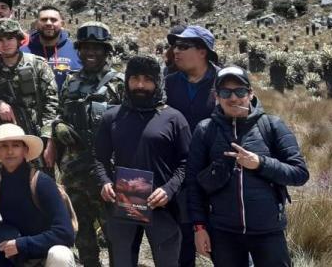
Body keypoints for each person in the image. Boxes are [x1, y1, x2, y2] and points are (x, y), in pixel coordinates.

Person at [187, 67, 309, 267]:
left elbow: (299, 173)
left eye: (240, 91)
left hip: (268, 231)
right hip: (224, 233)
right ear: (217, 96)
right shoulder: (205, 130)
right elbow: (193, 184)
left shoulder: (272, 126)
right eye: (226, 92)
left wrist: (260, 163)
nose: (233, 98)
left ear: (251, 93)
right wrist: (199, 228)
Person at [94, 55, 191, 267]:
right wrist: (104, 182)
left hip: (162, 206)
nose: (140, 85)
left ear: (157, 82)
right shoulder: (111, 117)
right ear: (127, 80)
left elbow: (186, 163)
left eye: (147, 79)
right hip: (122, 206)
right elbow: (99, 158)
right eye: (135, 78)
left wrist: (169, 189)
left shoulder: (174, 119)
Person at [46, 22, 125, 267]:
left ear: (107, 51)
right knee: (82, 234)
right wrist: (58, 126)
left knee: (115, 234)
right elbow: (58, 112)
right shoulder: (71, 82)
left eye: (97, 48)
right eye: (85, 48)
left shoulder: (119, 83)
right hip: (74, 172)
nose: (91, 53)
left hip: (108, 172)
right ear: (78, 51)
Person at [0, 123, 76, 267]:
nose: (10, 151)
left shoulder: (42, 183)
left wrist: (22, 245)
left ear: (25, 150)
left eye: (15, 145)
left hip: (46, 255)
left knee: (60, 255)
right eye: (3, 146)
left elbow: (65, 233)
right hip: (13, 258)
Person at [163, 25, 221, 266]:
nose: (176, 51)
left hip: (217, 175)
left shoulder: (225, 81)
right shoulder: (168, 83)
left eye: (183, 46)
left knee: (222, 241)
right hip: (179, 175)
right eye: (175, 46)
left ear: (202, 51)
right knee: (183, 241)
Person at [0, 19, 57, 154]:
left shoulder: (38, 65)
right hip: (4, 138)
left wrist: (48, 140)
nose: (5, 44)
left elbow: (52, 104)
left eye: (10, 38)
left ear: (19, 39)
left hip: (36, 137)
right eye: (0, 40)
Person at [25, 5, 81, 92]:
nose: (48, 23)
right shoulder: (23, 52)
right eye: (44, 20)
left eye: (53, 20)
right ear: (36, 24)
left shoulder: (77, 50)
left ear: (62, 24)